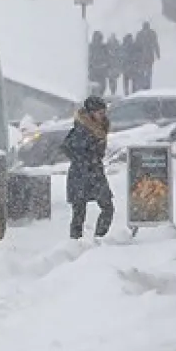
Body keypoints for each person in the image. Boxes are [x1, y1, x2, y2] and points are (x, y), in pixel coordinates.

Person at [61, 96, 115, 240]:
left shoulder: (99, 129)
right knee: (79, 212)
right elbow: (69, 149)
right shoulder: (81, 130)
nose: (103, 115)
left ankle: (98, 238)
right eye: (100, 112)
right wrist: (87, 160)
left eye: (104, 112)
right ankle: (76, 243)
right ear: (91, 113)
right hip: (82, 174)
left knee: (107, 207)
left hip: (94, 172)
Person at [135, 21, 161, 91]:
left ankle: (147, 85)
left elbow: (155, 44)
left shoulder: (149, 34)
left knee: (147, 71)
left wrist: (158, 53)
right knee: (143, 71)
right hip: (143, 56)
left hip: (148, 56)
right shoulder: (141, 34)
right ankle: (145, 84)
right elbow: (136, 46)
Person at [88, 31, 111, 95]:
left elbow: (108, 58)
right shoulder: (91, 47)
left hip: (99, 71)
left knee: (100, 88)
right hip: (95, 71)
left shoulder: (103, 47)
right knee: (96, 88)